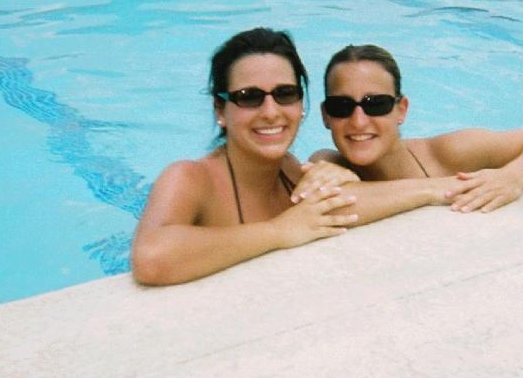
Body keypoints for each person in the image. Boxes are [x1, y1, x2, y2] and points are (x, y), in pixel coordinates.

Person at [131, 28, 360, 286]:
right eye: (249, 97)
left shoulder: (291, 171)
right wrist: (277, 231)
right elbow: (150, 259)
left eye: (285, 94)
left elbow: (352, 206)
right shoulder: (190, 178)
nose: (271, 112)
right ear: (220, 110)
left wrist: (342, 174)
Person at [309, 44, 523, 213]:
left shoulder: (449, 153)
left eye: (376, 104)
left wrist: (511, 177)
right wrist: (435, 190)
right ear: (325, 115)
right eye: (341, 106)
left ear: (401, 109)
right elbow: (334, 203)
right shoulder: (329, 164)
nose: (358, 121)